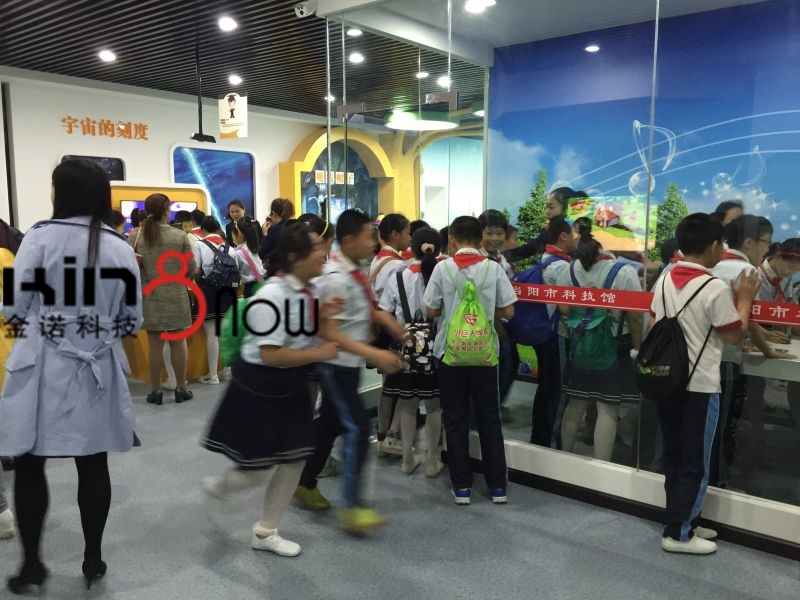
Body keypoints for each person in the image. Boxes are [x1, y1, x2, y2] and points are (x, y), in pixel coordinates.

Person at [0, 158, 143, 593]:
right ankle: (93, 558)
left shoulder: (38, 239)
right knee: (93, 462)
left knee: (29, 467)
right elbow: (133, 320)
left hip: (40, 367)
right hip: (95, 368)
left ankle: (32, 566)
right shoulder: (119, 247)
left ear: (58, 192)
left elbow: (13, 309)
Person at [202, 223, 340, 557]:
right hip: (262, 386)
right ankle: (220, 486)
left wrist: (324, 318)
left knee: (294, 460)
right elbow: (271, 354)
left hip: (290, 384)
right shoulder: (273, 295)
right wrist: (320, 353)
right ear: (294, 257)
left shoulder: (304, 290)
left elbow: (298, 334)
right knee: (259, 471)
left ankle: (265, 532)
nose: (323, 253)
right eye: (315, 247)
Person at [650, 213, 760, 554]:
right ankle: (678, 534)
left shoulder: (665, 279)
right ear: (713, 246)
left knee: (674, 455)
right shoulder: (713, 287)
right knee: (695, 460)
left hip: (666, 382)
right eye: (721, 244)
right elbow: (735, 335)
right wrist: (745, 300)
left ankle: (683, 519)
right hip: (699, 386)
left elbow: (654, 323)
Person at [294, 210, 403, 532]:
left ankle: (303, 481)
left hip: (348, 364)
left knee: (329, 425)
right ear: (350, 240)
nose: (373, 243)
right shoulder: (337, 278)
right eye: (369, 237)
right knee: (357, 428)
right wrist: (376, 354)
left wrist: (386, 321)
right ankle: (353, 508)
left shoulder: (354, 271)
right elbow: (330, 332)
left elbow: (361, 310)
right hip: (336, 365)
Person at [424, 216, 517, 505]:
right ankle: (498, 487)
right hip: (486, 354)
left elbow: (430, 311)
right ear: (480, 240)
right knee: (490, 419)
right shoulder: (494, 268)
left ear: (451, 240)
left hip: (450, 354)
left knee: (455, 419)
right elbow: (509, 312)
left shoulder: (442, 268)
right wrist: (485, 309)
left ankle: (462, 487)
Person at [709, 215, 793, 487]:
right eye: (766, 242)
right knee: (721, 427)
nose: (766, 249)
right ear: (748, 242)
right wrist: (769, 352)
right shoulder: (748, 272)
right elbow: (747, 321)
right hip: (726, 359)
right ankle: (718, 483)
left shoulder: (711, 266)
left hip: (702, 359)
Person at [556, 218, 643, 462]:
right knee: (608, 408)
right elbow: (635, 317)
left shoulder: (569, 269)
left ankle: (563, 460)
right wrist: (638, 347)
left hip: (581, 344)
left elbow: (564, 309)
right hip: (615, 346)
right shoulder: (624, 272)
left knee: (576, 404)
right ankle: (602, 469)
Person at [378, 227, 444, 476]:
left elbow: (384, 312)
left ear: (412, 248)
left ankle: (407, 458)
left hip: (406, 349)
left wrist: (400, 332)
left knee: (408, 404)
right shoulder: (441, 275)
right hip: (434, 349)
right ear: (438, 249)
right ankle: (432, 461)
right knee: (434, 405)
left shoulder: (398, 277)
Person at [129, 193, 195, 405]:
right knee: (178, 343)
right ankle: (181, 388)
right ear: (167, 210)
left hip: (150, 297)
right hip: (176, 295)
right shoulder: (179, 236)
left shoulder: (137, 235)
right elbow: (191, 267)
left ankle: (155, 391)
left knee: (155, 346)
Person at [526, 217, 576, 446]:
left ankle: (538, 437)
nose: (576, 238)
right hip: (558, 334)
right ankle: (550, 443)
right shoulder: (562, 266)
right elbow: (565, 308)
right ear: (563, 236)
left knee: (545, 387)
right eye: (573, 234)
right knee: (557, 389)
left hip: (544, 332)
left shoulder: (546, 259)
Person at [369, 213, 411, 456]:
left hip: (381, 327)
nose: (409, 237)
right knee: (397, 385)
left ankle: (383, 435)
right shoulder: (396, 265)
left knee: (388, 384)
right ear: (395, 234)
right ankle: (390, 438)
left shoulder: (379, 260)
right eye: (407, 233)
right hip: (392, 326)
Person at [478, 210, 517, 409]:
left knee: (508, 368)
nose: (495, 238)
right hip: (486, 329)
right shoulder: (478, 262)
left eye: (499, 233)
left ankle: (493, 408)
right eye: (489, 233)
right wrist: (498, 325)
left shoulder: (501, 259)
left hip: (503, 325)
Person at [193, 216, 236, 384]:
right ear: (218, 229)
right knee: (225, 332)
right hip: (228, 292)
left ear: (202, 230)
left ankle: (213, 375)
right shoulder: (230, 247)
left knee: (211, 333)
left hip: (208, 291)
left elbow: (196, 271)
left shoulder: (199, 245)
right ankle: (227, 370)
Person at [504, 186, 576, 264]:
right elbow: (529, 249)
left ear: (567, 208)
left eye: (551, 207)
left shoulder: (577, 232)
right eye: (546, 207)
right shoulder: (548, 233)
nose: (546, 212)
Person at [231, 217, 267, 297]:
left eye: (232, 234)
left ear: (239, 235)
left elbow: (234, 276)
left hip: (251, 288)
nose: (232, 237)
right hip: (262, 283)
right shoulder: (251, 247)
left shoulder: (238, 253)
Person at [259, 198, 295, 273]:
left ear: (274, 213)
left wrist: (265, 234)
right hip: (293, 270)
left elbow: (261, 253)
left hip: (278, 271)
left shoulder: (274, 230)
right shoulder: (294, 226)